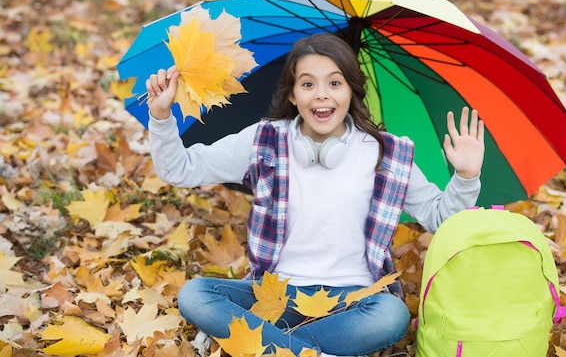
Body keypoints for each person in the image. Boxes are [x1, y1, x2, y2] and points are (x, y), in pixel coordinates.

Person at [146, 33, 485, 356]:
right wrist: (161, 116)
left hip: (355, 301)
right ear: (292, 95)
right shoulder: (264, 141)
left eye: (334, 83)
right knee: (196, 295)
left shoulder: (388, 153)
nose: (321, 94)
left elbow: (442, 220)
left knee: (392, 316)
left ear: (351, 91)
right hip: (275, 297)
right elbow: (181, 169)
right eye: (308, 84)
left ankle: (257, 342)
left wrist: (466, 176)